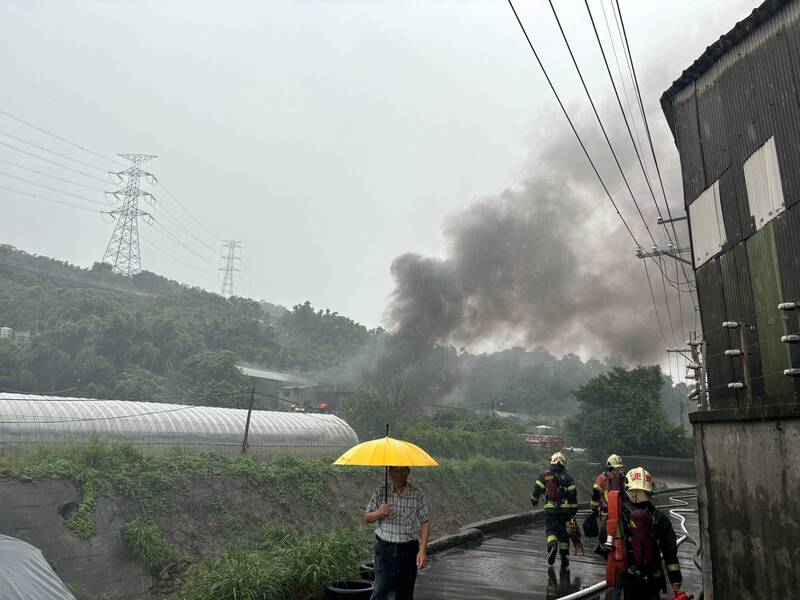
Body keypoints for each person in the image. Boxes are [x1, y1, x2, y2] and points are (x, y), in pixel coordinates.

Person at [612, 467, 683, 599]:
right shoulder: (659, 518)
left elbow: (604, 540)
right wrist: (675, 580)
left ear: (627, 488)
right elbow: (670, 552)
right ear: (650, 489)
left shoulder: (617, 516)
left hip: (626, 580)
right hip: (652, 580)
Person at [364, 466, 430, 600]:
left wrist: (422, 551)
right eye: (395, 471)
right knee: (379, 591)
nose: (399, 475)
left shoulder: (416, 494)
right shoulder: (381, 492)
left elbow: (425, 522)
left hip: (408, 551)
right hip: (384, 550)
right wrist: (379, 513)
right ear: (390, 473)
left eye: (402, 471)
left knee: (405, 594)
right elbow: (367, 517)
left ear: (408, 472)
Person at [531, 451, 578, 570]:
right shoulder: (568, 477)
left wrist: (534, 500)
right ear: (563, 463)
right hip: (565, 512)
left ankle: (552, 546)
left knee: (551, 530)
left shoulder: (545, 475)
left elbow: (537, 489)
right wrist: (573, 511)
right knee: (563, 535)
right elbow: (572, 495)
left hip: (551, 511)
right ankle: (564, 558)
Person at [589, 454, 626, 549]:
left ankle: (608, 553)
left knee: (603, 536)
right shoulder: (623, 478)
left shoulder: (602, 477)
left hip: (607, 512)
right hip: (621, 512)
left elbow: (595, 492)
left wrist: (593, 507)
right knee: (620, 535)